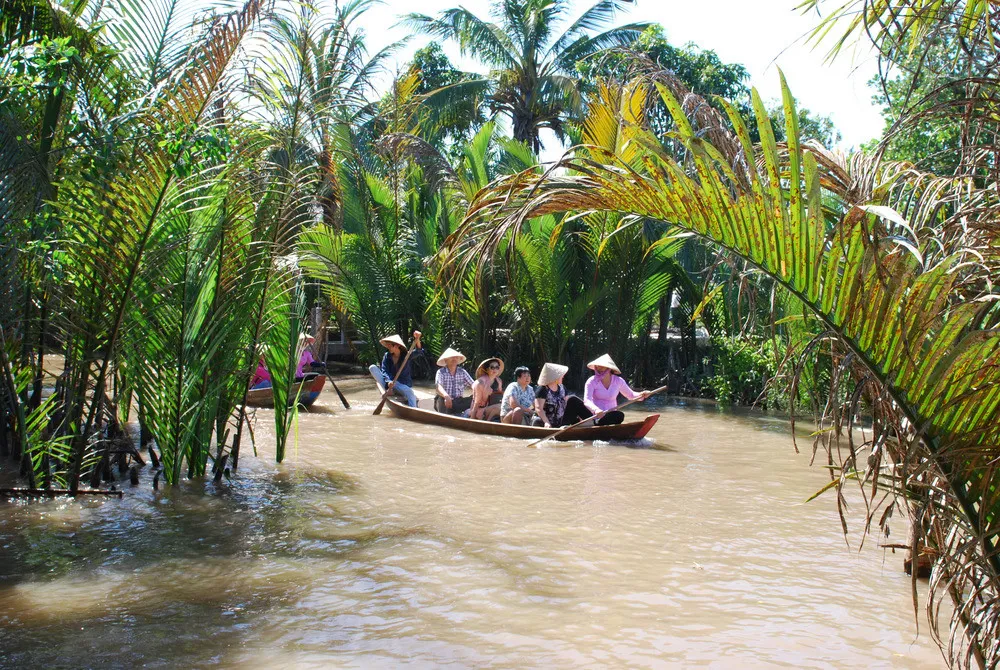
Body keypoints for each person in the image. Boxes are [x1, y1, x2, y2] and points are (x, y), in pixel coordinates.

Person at [532, 362, 611, 428]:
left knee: (573, 400)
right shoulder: (542, 389)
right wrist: (546, 423)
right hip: (547, 422)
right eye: (561, 375)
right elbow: (539, 409)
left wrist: (579, 416)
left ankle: (594, 421)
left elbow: (568, 405)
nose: (563, 377)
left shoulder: (562, 388)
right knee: (572, 398)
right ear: (555, 377)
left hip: (561, 421)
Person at [582, 354, 651, 426]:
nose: (598, 368)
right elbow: (587, 400)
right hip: (595, 416)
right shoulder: (591, 381)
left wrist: (642, 394)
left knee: (619, 415)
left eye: (601, 366)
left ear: (609, 368)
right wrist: (596, 410)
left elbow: (631, 395)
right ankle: (596, 423)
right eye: (597, 366)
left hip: (611, 415)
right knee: (573, 400)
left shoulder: (618, 381)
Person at [369, 331, 423, 407]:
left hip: (402, 384)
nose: (388, 347)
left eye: (390, 346)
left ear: (397, 346)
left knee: (410, 392)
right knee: (372, 367)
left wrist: (417, 339)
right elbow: (385, 371)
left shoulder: (406, 355)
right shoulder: (387, 356)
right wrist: (389, 382)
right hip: (389, 383)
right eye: (387, 346)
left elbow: (419, 352)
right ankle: (389, 389)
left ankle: (413, 409)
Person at [434, 347, 474, 415]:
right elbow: (438, 386)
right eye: (451, 357)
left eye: (456, 357)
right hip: (445, 400)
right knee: (441, 399)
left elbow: (473, 384)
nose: (454, 359)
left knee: (475, 399)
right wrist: (446, 396)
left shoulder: (462, 372)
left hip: (458, 401)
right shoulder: (441, 372)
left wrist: (478, 395)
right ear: (446, 360)